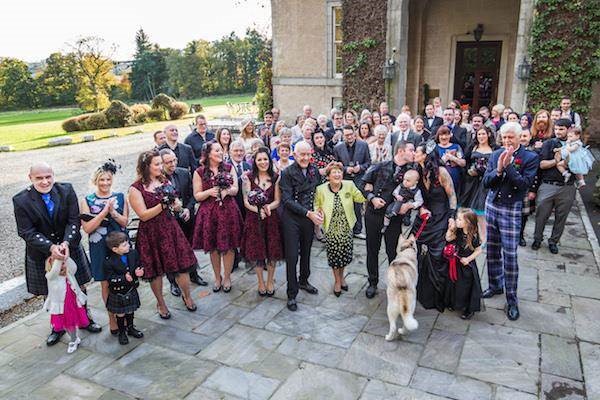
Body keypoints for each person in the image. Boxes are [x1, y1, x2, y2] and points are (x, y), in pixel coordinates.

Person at [13, 162, 102, 346]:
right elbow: (26, 231)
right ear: (30, 178)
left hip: (69, 247)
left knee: (79, 286)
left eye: (48, 177)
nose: (45, 181)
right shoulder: (20, 200)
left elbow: (73, 220)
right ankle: (58, 326)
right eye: (39, 178)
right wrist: (51, 248)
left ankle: (85, 318)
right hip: (41, 253)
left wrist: (66, 242)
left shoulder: (66, 190)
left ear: (53, 175)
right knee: (51, 291)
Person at [129, 150, 198, 318]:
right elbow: (143, 215)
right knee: (156, 271)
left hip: (170, 228)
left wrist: (177, 205)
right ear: (146, 166)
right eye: (157, 164)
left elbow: (175, 202)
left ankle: (187, 296)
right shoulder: (135, 188)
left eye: (161, 163)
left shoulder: (164, 180)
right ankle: (161, 303)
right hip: (151, 233)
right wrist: (163, 205)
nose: (161, 167)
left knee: (182, 266)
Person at [483, 121, 539, 320]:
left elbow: (524, 185)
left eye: (510, 137)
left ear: (519, 137)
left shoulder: (530, 157)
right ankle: (494, 285)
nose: (506, 140)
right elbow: (486, 183)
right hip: (491, 206)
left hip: (511, 209)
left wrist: (509, 168)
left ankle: (512, 298)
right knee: (491, 249)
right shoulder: (496, 154)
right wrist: (498, 170)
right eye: (504, 137)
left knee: (510, 255)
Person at [360, 141, 416, 298]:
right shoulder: (380, 166)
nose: (413, 153)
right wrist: (372, 198)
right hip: (374, 215)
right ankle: (372, 282)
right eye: (411, 150)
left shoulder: (411, 172)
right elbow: (362, 183)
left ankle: (395, 283)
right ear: (401, 151)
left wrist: (409, 205)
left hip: (394, 218)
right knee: (372, 250)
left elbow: (417, 193)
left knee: (393, 252)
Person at [80, 160, 128, 335]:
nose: (105, 183)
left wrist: (113, 211)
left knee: (124, 279)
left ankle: (127, 317)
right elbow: (87, 228)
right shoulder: (87, 200)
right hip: (98, 245)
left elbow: (124, 222)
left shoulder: (121, 196)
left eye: (108, 179)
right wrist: (102, 213)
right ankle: (112, 318)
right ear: (96, 181)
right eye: (102, 180)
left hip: (118, 243)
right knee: (106, 283)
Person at [411, 141, 457, 312]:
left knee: (437, 256)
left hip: (441, 217)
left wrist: (452, 218)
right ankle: (421, 291)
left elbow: (452, 196)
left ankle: (438, 297)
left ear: (425, 155)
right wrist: (420, 207)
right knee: (417, 253)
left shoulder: (442, 172)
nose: (414, 153)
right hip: (425, 217)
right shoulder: (417, 170)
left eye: (417, 151)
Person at [192, 141, 243, 292]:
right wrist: (209, 192)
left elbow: (235, 189)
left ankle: (227, 277)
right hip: (209, 214)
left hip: (228, 211)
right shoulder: (199, 172)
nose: (220, 153)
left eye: (221, 151)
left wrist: (228, 191)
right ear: (208, 154)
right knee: (213, 247)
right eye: (216, 151)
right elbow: (197, 195)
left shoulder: (228, 167)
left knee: (229, 246)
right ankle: (217, 277)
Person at [280, 141, 323, 311]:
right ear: (294, 155)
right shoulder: (287, 173)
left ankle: (304, 281)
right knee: (292, 256)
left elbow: (319, 192)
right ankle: (291, 294)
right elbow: (287, 200)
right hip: (292, 218)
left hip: (309, 218)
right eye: (302, 154)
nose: (305, 158)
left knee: (307, 251)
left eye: (308, 154)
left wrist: (319, 210)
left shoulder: (314, 170)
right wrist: (308, 213)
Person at [160, 149, 207, 296]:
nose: (173, 164)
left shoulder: (183, 172)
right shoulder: (158, 179)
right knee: (170, 252)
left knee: (188, 248)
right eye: (168, 162)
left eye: (174, 160)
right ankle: (173, 282)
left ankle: (194, 274)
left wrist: (187, 209)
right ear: (161, 163)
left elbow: (193, 195)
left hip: (186, 218)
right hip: (168, 220)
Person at [315, 162, 366, 296]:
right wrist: (318, 213)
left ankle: (342, 277)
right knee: (334, 257)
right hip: (331, 228)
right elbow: (317, 204)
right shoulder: (321, 189)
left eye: (339, 172)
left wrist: (368, 191)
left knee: (344, 255)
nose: (337, 174)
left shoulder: (349, 185)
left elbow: (360, 197)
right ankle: (337, 281)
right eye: (334, 172)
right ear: (328, 177)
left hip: (346, 227)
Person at [241, 148, 283, 296]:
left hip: (271, 220)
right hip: (254, 220)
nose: (263, 162)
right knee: (257, 252)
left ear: (269, 161)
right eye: (259, 160)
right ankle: (260, 282)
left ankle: (270, 280)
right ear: (255, 161)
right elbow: (246, 201)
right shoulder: (249, 177)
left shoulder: (276, 177)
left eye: (265, 159)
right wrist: (258, 211)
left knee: (272, 251)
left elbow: (277, 200)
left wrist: (267, 209)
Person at [532, 118, 577, 254]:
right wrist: (556, 161)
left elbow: (581, 166)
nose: (558, 132)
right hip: (548, 185)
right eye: (556, 129)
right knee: (541, 215)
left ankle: (553, 241)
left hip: (567, 186)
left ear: (569, 129)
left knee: (561, 217)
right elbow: (541, 164)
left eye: (561, 129)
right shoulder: (549, 143)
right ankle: (537, 239)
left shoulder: (577, 145)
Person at [103, 231, 144, 345]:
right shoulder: (109, 262)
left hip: (131, 288)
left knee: (130, 310)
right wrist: (123, 278)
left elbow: (139, 264)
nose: (128, 246)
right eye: (124, 245)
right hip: (118, 291)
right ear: (115, 249)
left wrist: (139, 271)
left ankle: (130, 328)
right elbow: (110, 279)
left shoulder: (133, 253)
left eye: (127, 243)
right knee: (120, 314)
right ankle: (122, 332)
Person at [44, 256, 89, 353]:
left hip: (71, 303)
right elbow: (55, 271)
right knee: (65, 324)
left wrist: (65, 257)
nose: (62, 265)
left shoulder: (69, 273)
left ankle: (73, 340)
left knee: (71, 323)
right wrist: (58, 259)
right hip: (60, 305)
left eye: (63, 263)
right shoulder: (51, 276)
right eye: (59, 263)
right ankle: (74, 338)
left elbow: (74, 267)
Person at [333, 125, 371, 238]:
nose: (349, 137)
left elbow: (368, 162)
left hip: (359, 178)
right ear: (343, 136)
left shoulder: (363, 145)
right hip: (344, 179)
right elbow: (335, 165)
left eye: (351, 134)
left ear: (355, 134)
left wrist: (361, 168)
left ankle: (358, 230)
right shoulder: (337, 148)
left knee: (357, 205)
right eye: (346, 135)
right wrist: (345, 169)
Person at [445, 208, 483, 320]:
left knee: (465, 287)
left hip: (467, 266)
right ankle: (455, 303)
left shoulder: (474, 236)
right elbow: (448, 238)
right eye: (457, 218)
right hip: (457, 263)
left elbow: (479, 250)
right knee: (455, 284)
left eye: (460, 219)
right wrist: (450, 229)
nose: (457, 221)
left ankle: (468, 308)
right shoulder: (459, 231)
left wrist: (468, 259)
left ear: (468, 223)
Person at [459, 126, 496, 242]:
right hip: (471, 183)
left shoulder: (494, 148)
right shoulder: (472, 147)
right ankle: (466, 236)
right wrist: (469, 171)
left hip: (485, 184)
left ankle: (483, 239)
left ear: (488, 135)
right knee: (466, 210)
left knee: (481, 213)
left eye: (483, 134)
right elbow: (465, 162)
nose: (481, 136)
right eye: (479, 134)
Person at [228, 140, 252, 270]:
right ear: (230, 152)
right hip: (232, 204)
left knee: (246, 230)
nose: (239, 153)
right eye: (236, 151)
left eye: (241, 151)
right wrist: (239, 179)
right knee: (233, 232)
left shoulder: (247, 166)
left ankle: (247, 256)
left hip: (246, 205)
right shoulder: (226, 166)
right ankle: (234, 260)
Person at [436, 126, 466, 194]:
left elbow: (463, 163)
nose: (444, 137)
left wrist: (453, 158)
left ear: (450, 135)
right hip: (440, 180)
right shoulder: (435, 147)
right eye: (441, 135)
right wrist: (442, 160)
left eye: (446, 135)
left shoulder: (456, 147)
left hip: (455, 178)